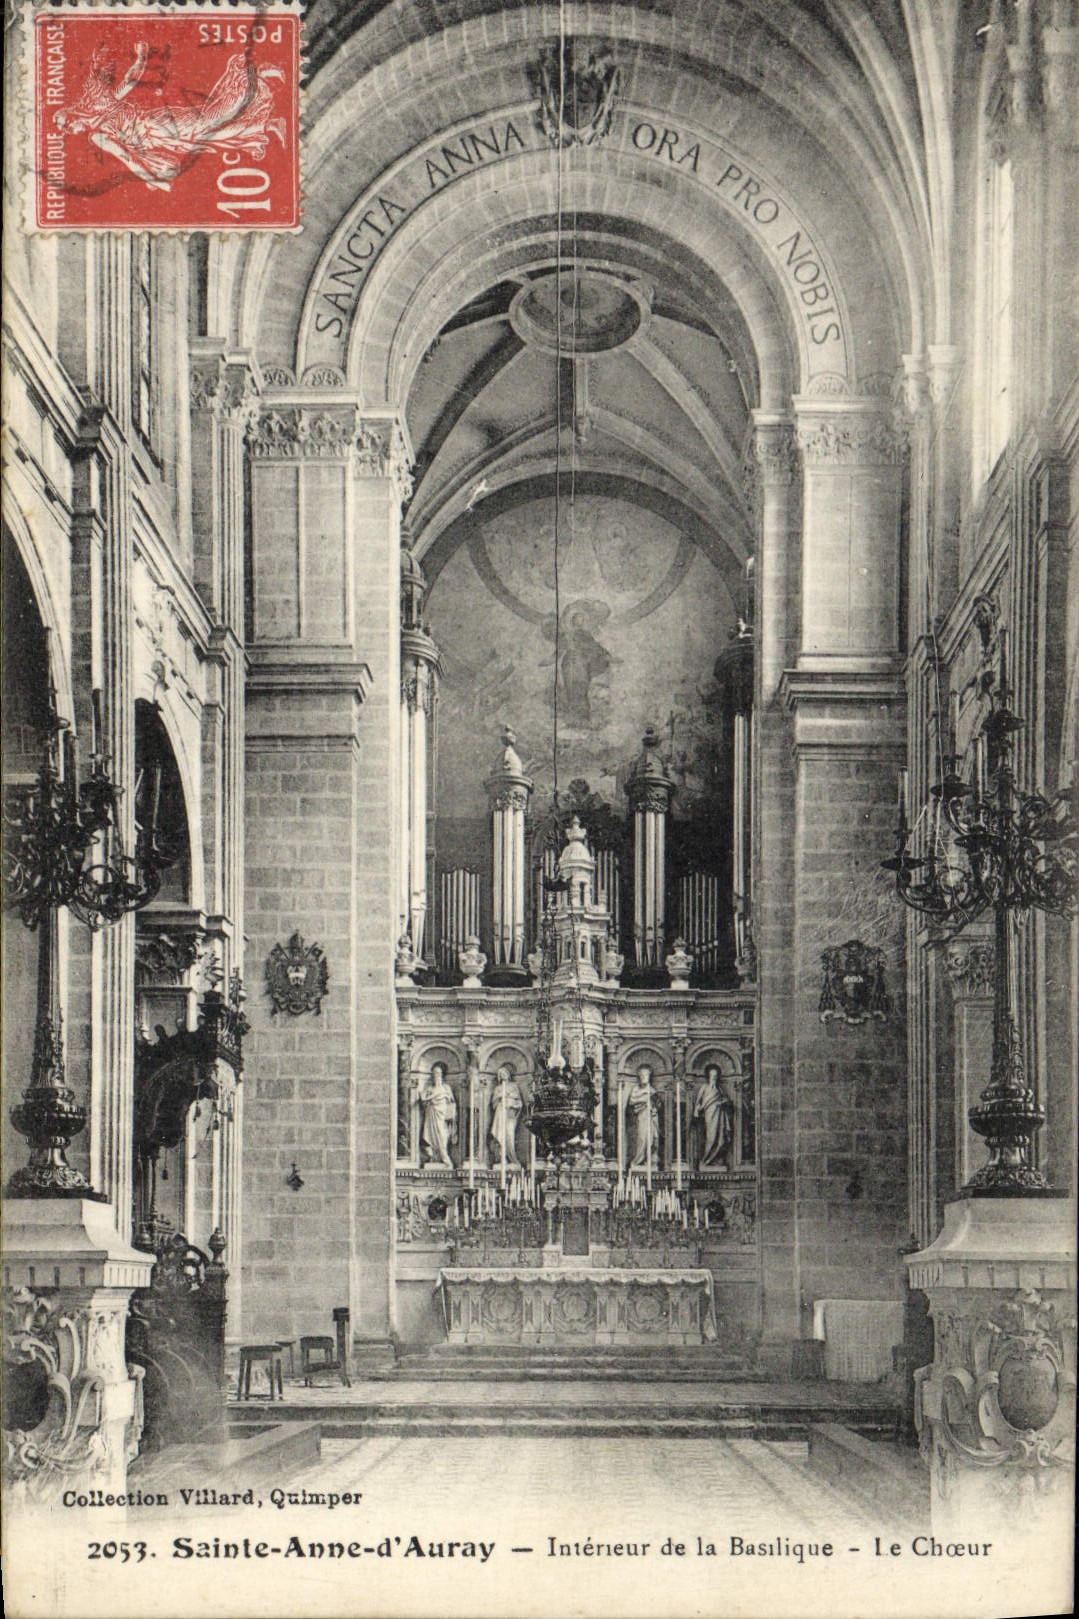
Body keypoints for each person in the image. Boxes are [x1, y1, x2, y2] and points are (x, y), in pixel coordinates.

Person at [55, 43, 286, 192]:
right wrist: (140, 60)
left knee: (215, 118)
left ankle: (251, 74)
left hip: (161, 127)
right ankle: (266, 124)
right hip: (161, 131)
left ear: (75, 115)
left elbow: (128, 158)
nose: (69, 131)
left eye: (66, 125)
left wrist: (152, 179)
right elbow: (130, 83)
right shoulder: (102, 113)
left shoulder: (98, 134)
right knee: (212, 129)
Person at [693, 1063, 735, 1169]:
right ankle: (706, 1160)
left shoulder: (719, 1089)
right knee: (711, 1136)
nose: (714, 1077)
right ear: (709, 1076)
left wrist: (723, 1102)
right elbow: (698, 1102)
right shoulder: (704, 1087)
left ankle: (714, 1160)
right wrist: (696, 1110)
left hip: (719, 1115)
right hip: (709, 1114)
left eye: (716, 1075)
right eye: (712, 1075)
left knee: (721, 1139)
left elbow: (726, 1100)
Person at [420, 1062, 457, 1168]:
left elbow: (451, 1102)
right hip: (431, 1114)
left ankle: (444, 1158)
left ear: (442, 1074)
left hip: (442, 1115)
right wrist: (427, 1098)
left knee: (442, 1135)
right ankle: (434, 1158)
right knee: (430, 1136)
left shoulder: (446, 1088)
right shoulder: (430, 1089)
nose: (436, 1075)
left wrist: (453, 1117)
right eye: (434, 1073)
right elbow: (422, 1099)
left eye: (438, 1073)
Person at [488, 1064, 525, 1166]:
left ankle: (512, 1159)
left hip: (510, 1115)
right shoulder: (497, 1088)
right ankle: (501, 1158)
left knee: (509, 1135)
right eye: (500, 1074)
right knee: (499, 1135)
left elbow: (519, 1103)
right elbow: (493, 1104)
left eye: (504, 1073)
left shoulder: (513, 1086)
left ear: (508, 1074)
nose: (502, 1075)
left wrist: (510, 1102)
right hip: (500, 1114)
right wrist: (500, 1096)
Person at [626, 1064, 660, 1169]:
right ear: (639, 1076)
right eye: (642, 1075)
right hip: (640, 1117)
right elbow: (632, 1101)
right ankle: (638, 1160)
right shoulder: (635, 1089)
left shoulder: (652, 1091)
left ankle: (649, 1161)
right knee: (641, 1138)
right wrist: (645, 1098)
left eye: (646, 1075)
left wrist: (654, 1108)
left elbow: (657, 1104)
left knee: (653, 1139)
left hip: (651, 1118)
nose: (644, 1077)